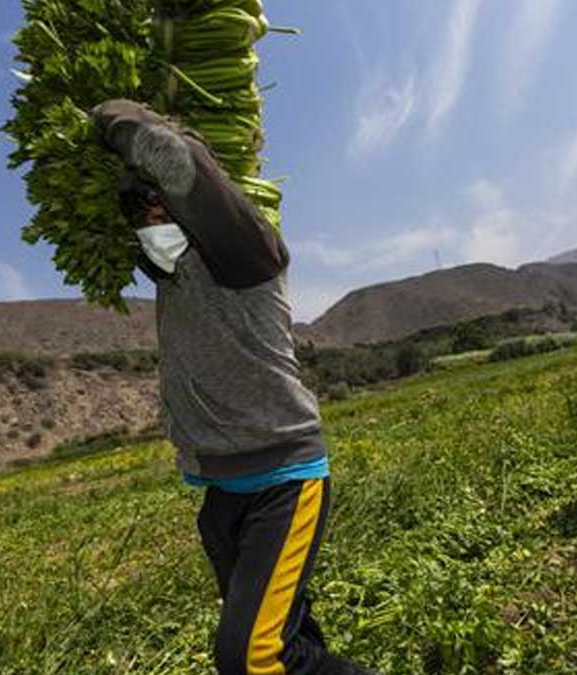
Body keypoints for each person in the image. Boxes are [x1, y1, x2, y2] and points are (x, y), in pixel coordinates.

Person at [90, 99, 373, 675]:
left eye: (157, 209)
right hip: (223, 493)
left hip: (280, 482)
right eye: (137, 217)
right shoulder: (174, 282)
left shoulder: (246, 258)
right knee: (291, 643)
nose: (149, 226)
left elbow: (182, 164)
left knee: (250, 658)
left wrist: (115, 118)